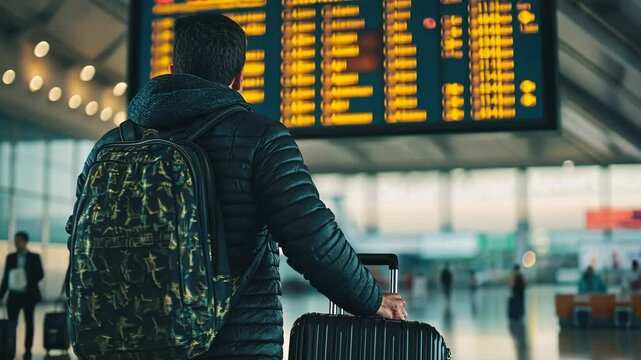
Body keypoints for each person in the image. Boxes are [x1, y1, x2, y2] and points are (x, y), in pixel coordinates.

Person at [65, 14, 406, 359]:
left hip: (121, 346)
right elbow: (310, 237)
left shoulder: (111, 146)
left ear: (171, 69)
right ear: (238, 77)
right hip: (233, 345)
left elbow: (78, 236)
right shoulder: (261, 138)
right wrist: (373, 300)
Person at [0, 231, 44, 360]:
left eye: (18, 240)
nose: (16, 242)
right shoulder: (11, 257)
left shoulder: (34, 257)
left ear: (25, 241)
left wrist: (27, 283)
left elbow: (40, 274)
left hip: (28, 295)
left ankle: (28, 350)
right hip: (14, 296)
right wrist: (2, 294)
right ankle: (9, 346)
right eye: (15, 240)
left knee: (29, 322)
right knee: (12, 323)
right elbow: (6, 277)